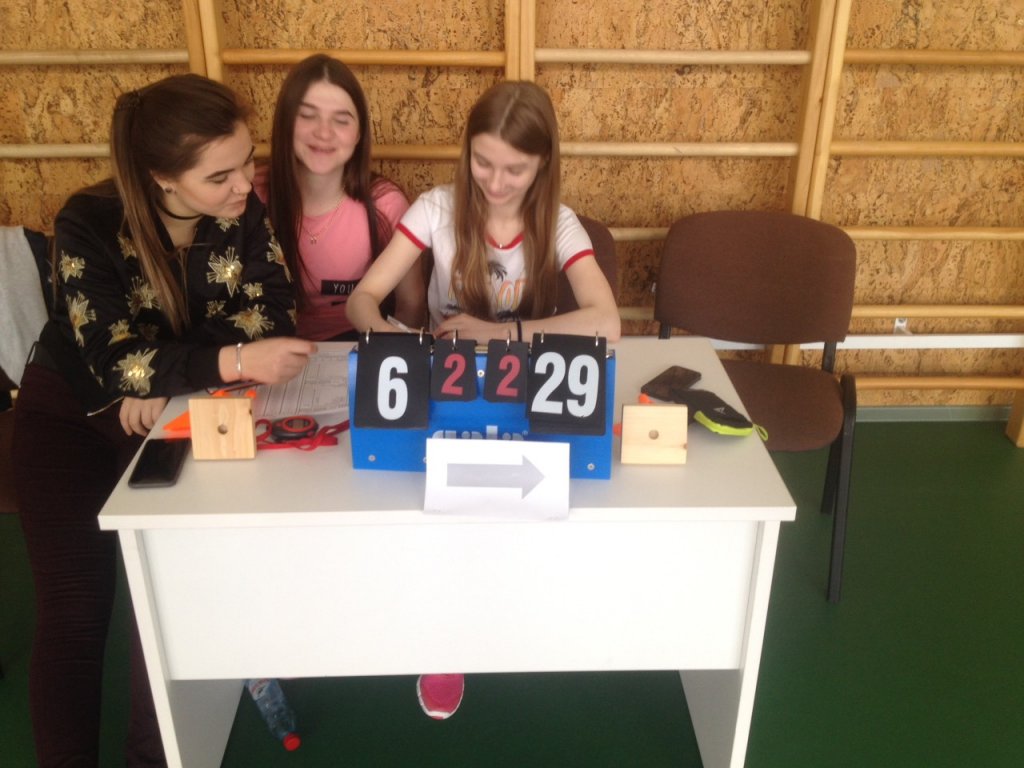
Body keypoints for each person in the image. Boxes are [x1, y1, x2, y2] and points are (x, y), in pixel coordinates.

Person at [12, 74, 315, 767]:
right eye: (220, 175)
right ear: (162, 179)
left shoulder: (243, 210)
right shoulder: (87, 221)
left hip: (171, 417)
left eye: (246, 161)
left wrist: (164, 371)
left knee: (164, 611)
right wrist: (225, 360)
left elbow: (275, 312)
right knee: (73, 613)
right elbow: (114, 360)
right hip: (66, 416)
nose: (244, 185)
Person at [347, 80, 621, 720]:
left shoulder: (557, 223)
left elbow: (607, 321)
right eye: (482, 162)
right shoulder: (436, 210)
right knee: (436, 511)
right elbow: (363, 298)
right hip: (446, 391)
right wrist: (389, 335)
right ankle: (444, 639)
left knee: (529, 510)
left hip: (525, 392)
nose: (495, 183)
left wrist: (500, 334)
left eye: (514, 169)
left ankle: (514, 619)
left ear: (543, 164)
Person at [258, 53, 424, 341]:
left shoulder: (386, 204)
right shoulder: (251, 193)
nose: (324, 132)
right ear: (285, 122)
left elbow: (410, 304)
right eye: (307, 115)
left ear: (359, 134)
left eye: (341, 120)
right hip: (268, 348)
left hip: (357, 345)